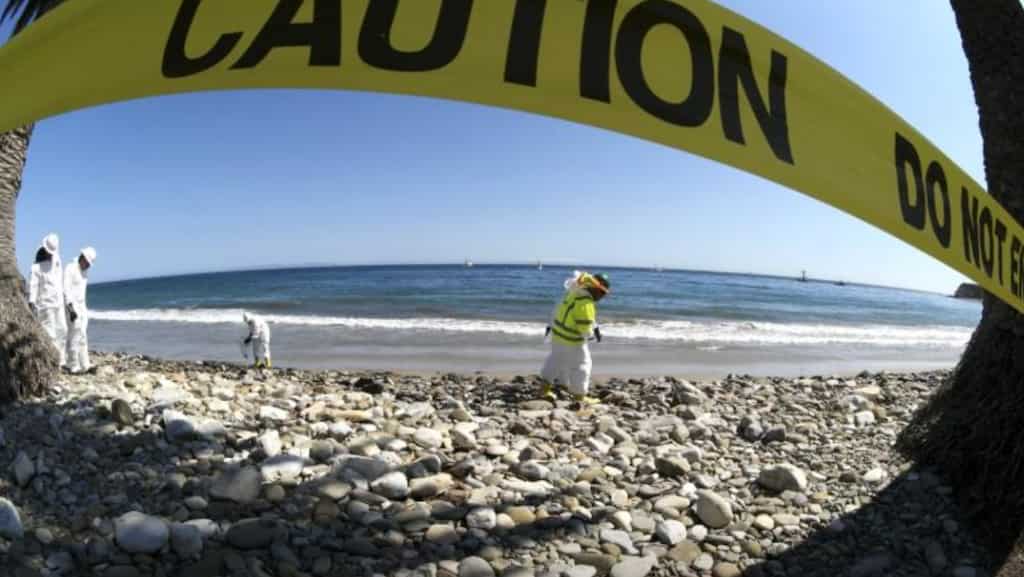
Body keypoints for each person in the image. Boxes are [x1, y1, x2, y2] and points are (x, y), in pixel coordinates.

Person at [540, 271, 611, 405]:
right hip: (572, 340)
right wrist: (590, 336)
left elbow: (558, 310)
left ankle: (544, 389)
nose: (602, 297)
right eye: (602, 293)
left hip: (558, 335)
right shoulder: (586, 303)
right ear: (594, 289)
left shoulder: (573, 293)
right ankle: (579, 396)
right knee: (583, 365)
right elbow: (584, 324)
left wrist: (550, 327)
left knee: (555, 361)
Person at [28, 233, 67, 368]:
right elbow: (33, 285)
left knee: (63, 330)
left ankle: (61, 360)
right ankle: (52, 362)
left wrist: (65, 298)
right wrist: (32, 302)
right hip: (45, 305)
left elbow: (59, 279)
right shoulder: (36, 267)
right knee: (50, 335)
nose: (51, 254)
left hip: (58, 303)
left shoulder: (57, 259)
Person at [64, 247, 96, 374]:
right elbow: (65, 289)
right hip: (72, 307)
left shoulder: (85, 272)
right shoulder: (70, 268)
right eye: (87, 263)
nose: (88, 266)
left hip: (82, 307)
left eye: (89, 264)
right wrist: (70, 308)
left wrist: (84, 310)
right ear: (82, 257)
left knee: (83, 336)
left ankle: (85, 365)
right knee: (75, 335)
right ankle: (73, 365)